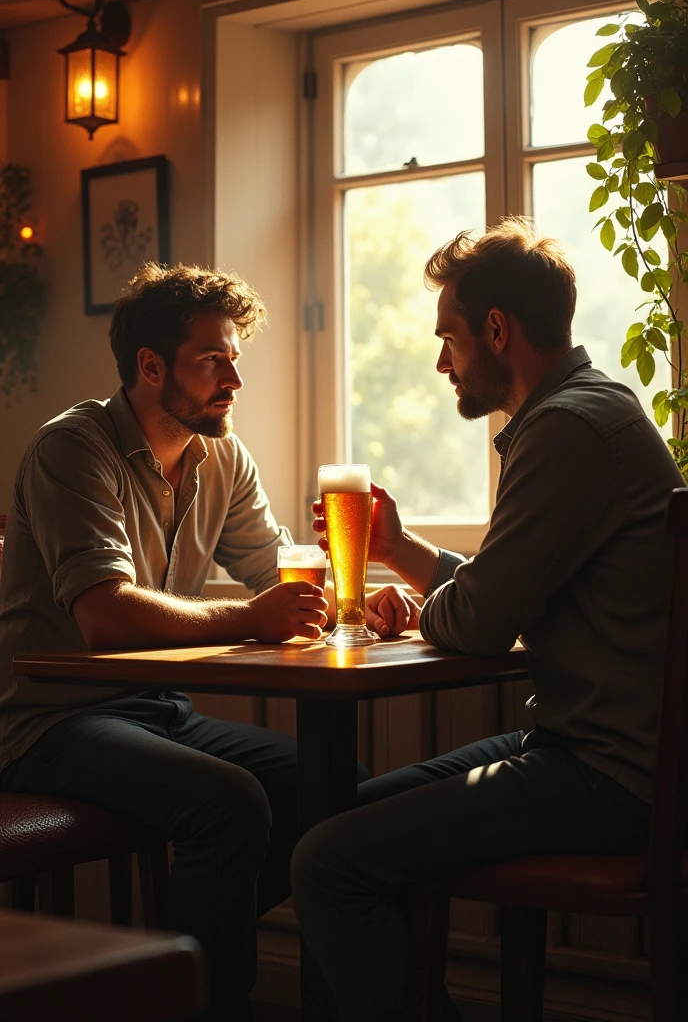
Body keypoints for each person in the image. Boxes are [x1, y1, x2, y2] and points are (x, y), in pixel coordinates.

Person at [291, 217, 685, 1022]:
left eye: (450, 338)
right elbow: (502, 594)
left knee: (329, 862)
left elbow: (475, 623)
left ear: (497, 331)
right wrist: (399, 549)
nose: (442, 360)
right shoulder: (589, 409)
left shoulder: (567, 430)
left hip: (609, 775)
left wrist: (434, 607)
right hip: (586, 747)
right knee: (347, 817)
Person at [0, 262, 417, 1022]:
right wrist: (249, 617)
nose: (234, 379)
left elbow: (278, 567)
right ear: (149, 366)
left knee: (333, 786)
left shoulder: (221, 454)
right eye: (212, 360)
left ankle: (165, 965)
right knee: (230, 804)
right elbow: (106, 616)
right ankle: (208, 1000)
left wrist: (370, 599)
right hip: (48, 721)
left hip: (154, 708)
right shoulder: (74, 448)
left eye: (236, 358)